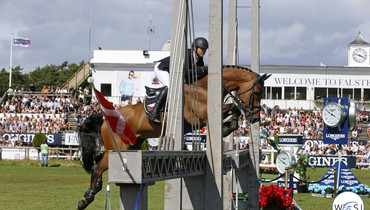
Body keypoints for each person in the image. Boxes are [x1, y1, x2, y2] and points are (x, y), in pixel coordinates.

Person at [147, 37, 209, 123]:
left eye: (205, 49)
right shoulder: (187, 54)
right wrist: (201, 70)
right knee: (169, 86)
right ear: (195, 48)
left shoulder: (199, 60)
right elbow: (184, 72)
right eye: (202, 48)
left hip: (173, 71)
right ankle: (154, 113)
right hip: (162, 68)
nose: (204, 51)